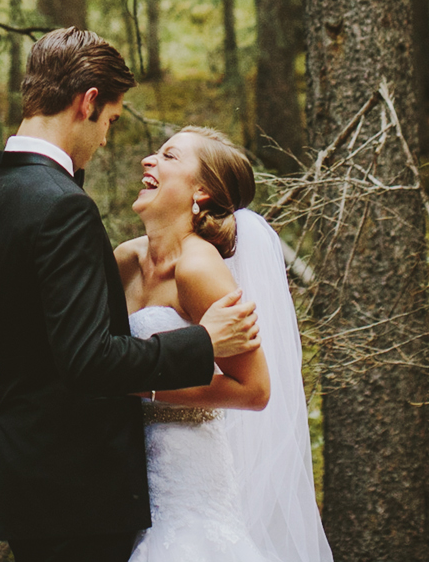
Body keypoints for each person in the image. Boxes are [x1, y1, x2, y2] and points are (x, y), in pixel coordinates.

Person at [0, 28, 262, 562]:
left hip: (26, 466)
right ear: (88, 102)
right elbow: (87, 359)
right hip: (81, 482)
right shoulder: (63, 205)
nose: (106, 142)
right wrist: (204, 341)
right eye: (111, 123)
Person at [117, 126, 333, 562]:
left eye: (170, 156)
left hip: (184, 480)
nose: (149, 161)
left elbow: (255, 390)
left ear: (202, 191)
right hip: (121, 471)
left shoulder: (198, 268)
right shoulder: (125, 259)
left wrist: (140, 385)